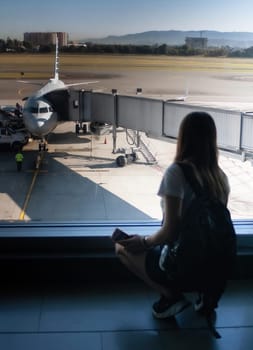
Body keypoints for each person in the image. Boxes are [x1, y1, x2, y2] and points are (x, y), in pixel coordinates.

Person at [114, 111, 230, 319]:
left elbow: (171, 231)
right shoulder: (221, 178)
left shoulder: (177, 173)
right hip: (213, 271)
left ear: (183, 137)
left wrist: (144, 242)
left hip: (183, 267)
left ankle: (171, 296)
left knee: (121, 247)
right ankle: (205, 297)